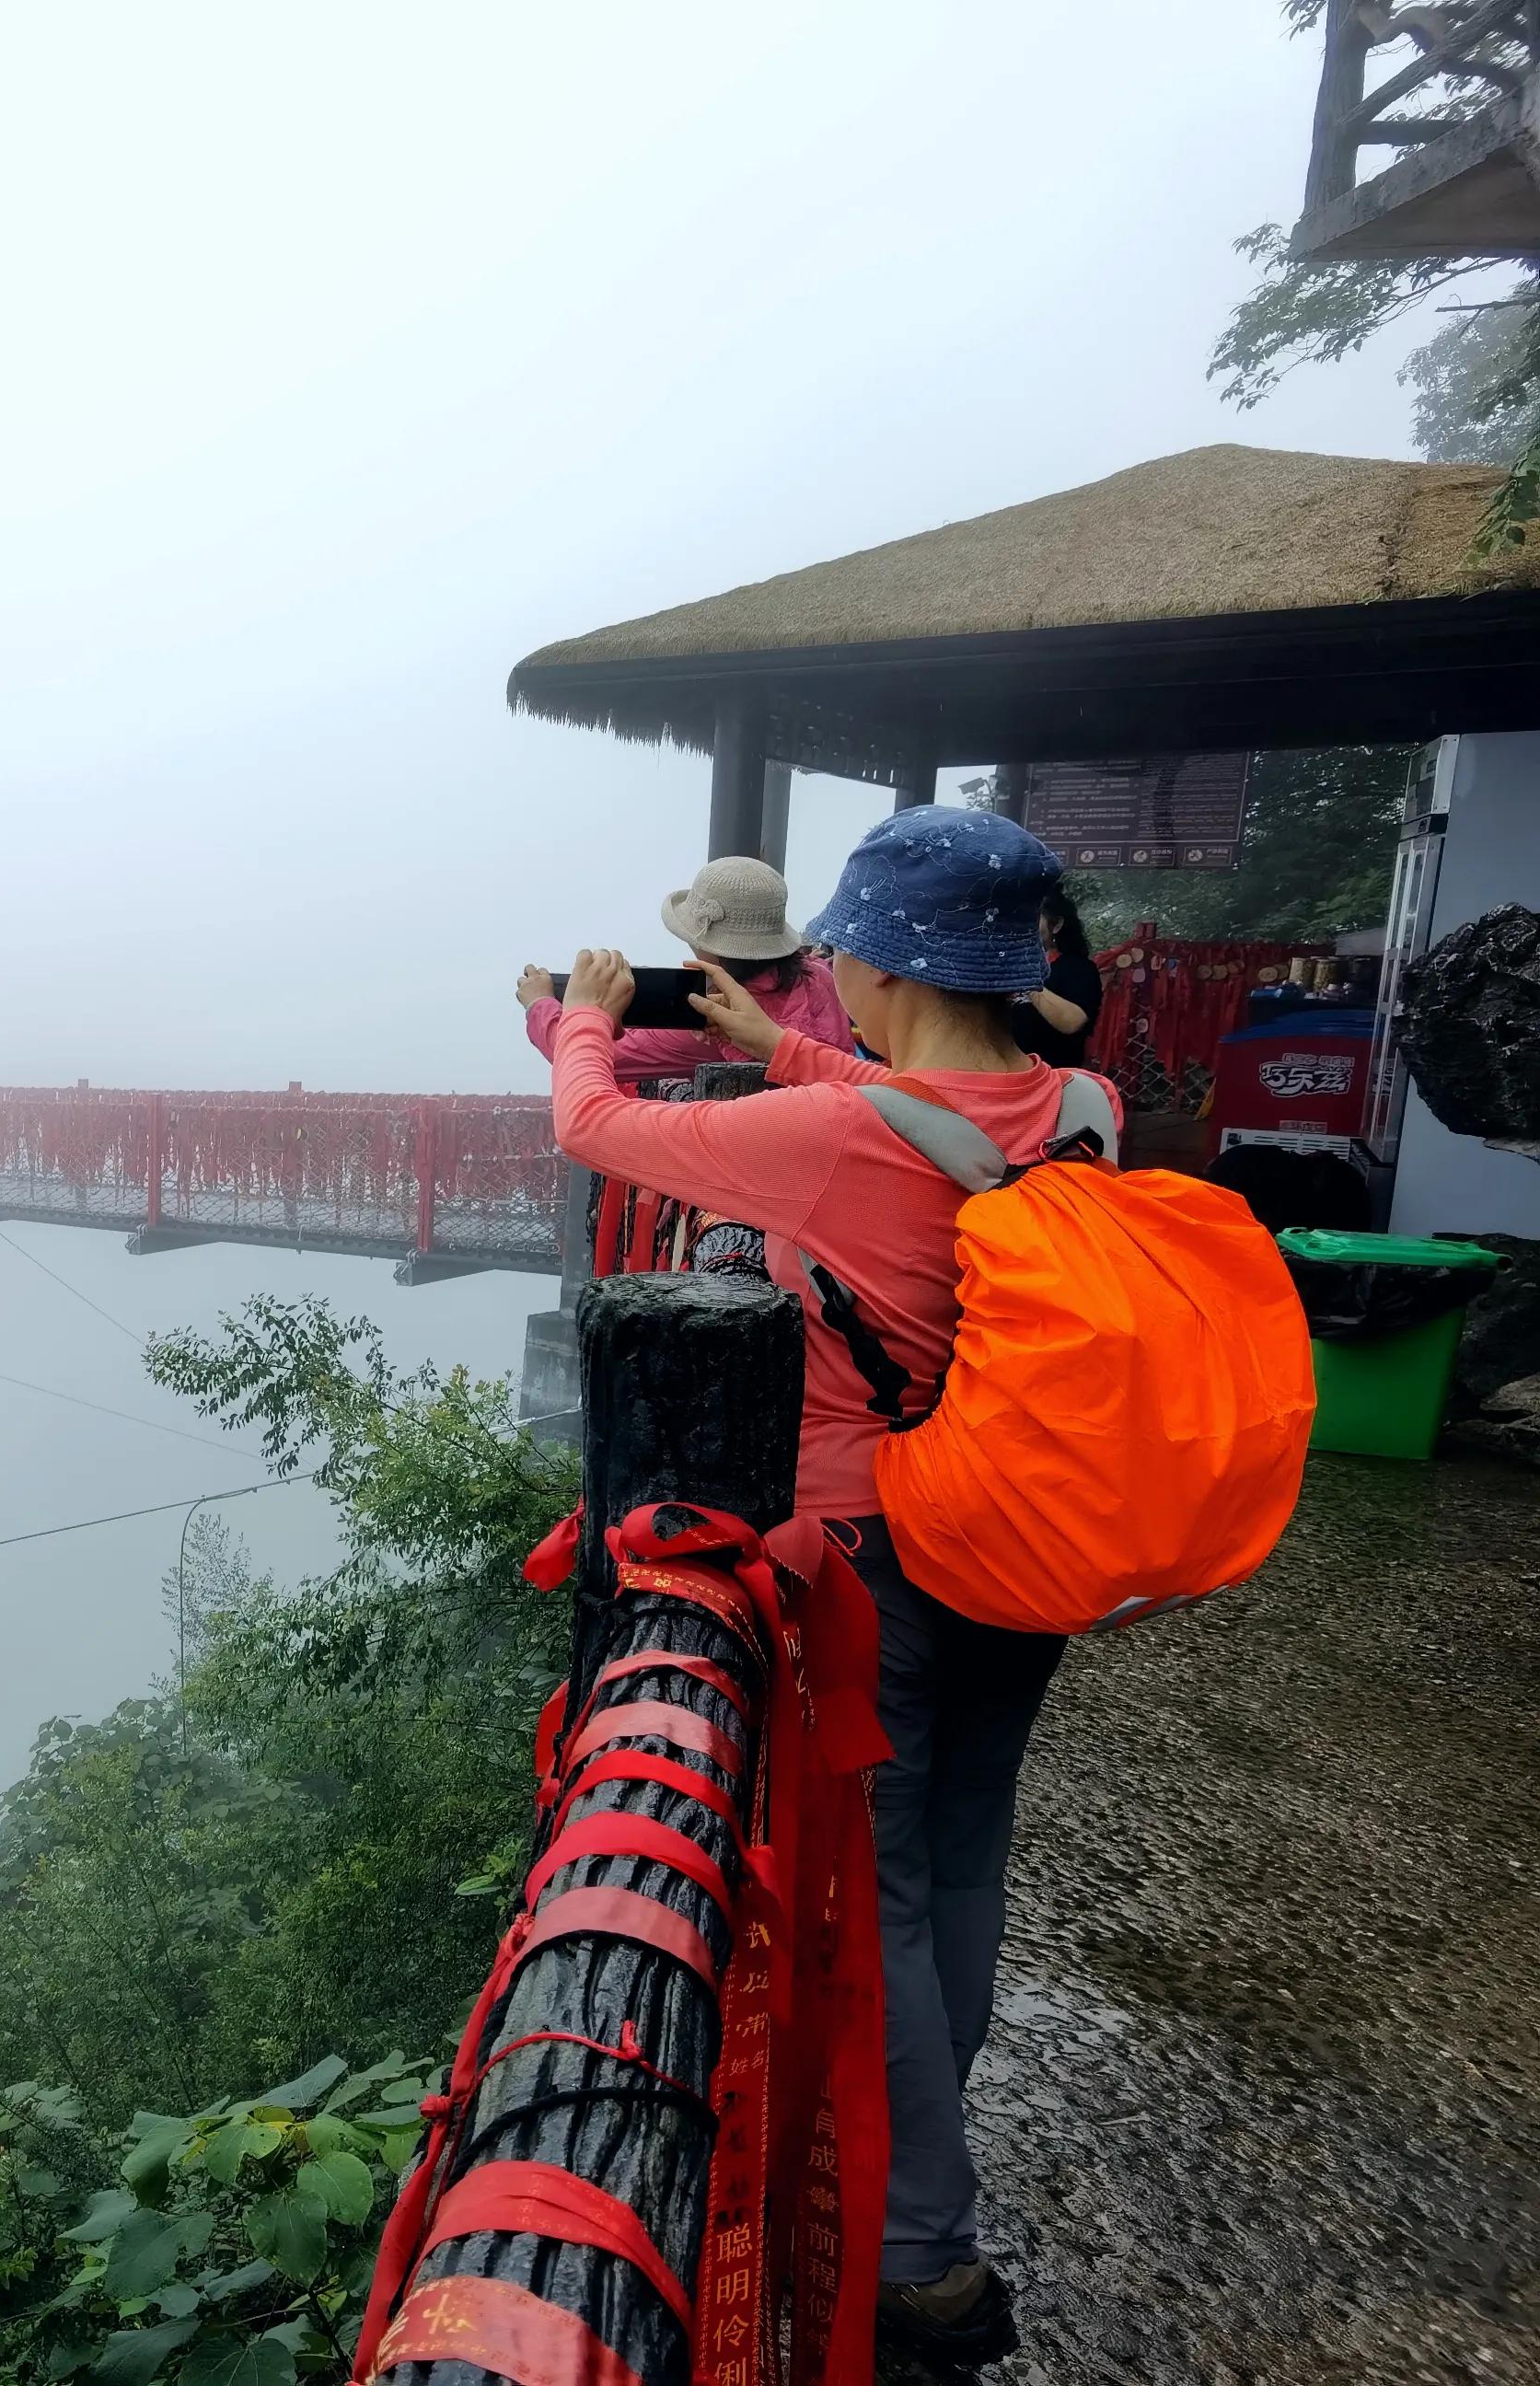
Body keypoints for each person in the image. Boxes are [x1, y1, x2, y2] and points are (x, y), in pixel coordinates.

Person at [538, 808, 1104, 2378]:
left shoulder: (838, 1140)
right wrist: (777, 1051)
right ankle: (927, 2148)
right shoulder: (1083, 1102)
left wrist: (592, 1010)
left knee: (896, 1892)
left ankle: (922, 2245)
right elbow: (938, 1120)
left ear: (877, 956)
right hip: (1029, 1539)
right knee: (969, 1847)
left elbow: (603, 1131)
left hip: (880, 1558)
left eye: (842, 948)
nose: (830, 973)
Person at [517, 854, 855, 1092]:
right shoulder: (823, 976)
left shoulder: (711, 1020)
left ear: (703, 943)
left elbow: (591, 1057)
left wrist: (541, 1004)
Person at [1010, 887, 1103, 1070]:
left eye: (1033, 918)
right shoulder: (1002, 964)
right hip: (1007, 1076)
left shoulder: (1079, 970)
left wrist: (1025, 978)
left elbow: (1072, 1021)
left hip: (1055, 1078)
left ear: (1057, 924)